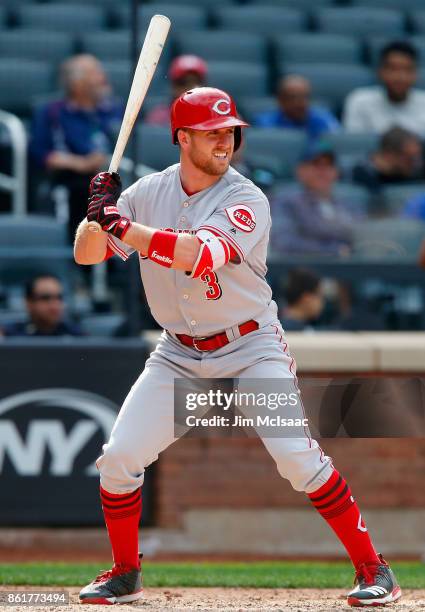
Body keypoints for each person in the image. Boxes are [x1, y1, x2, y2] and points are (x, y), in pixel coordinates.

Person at [74, 87, 401, 607]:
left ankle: (374, 568)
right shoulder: (146, 192)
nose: (225, 140)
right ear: (183, 138)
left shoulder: (246, 197)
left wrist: (123, 224)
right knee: (118, 458)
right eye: (212, 132)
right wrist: (96, 213)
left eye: (230, 131)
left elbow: (199, 256)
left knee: (297, 460)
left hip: (250, 347)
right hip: (178, 353)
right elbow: (87, 255)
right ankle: (124, 572)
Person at [30, 54, 123, 240]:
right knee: (83, 193)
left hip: (115, 178)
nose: (102, 78)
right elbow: (39, 152)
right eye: (94, 73)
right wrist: (81, 163)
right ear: (76, 84)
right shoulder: (52, 112)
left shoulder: (115, 109)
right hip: (71, 182)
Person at [270, 141, 354, 256]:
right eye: (316, 165)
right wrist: (332, 250)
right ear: (300, 170)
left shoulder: (346, 203)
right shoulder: (287, 201)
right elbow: (283, 242)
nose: (323, 171)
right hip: (302, 269)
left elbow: (359, 235)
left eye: (329, 165)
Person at [343, 41, 425, 136]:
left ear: (415, 74)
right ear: (380, 71)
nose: (399, 77)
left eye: (407, 70)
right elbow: (353, 145)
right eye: (393, 69)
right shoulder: (359, 100)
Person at [254, 75, 339, 140]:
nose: (300, 103)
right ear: (280, 100)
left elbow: (337, 143)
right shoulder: (265, 124)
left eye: (305, 97)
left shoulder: (323, 119)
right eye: (293, 97)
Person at [1, 275, 81, 337]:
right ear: (28, 302)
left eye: (59, 298)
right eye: (45, 298)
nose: (54, 305)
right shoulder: (9, 336)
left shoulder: (78, 337)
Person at [352, 127, 423, 193]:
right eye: (410, 158)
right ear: (389, 155)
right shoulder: (363, 172)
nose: (416, 162)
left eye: (417, 156)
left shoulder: (417, 170)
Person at [144, 54, 207, 126]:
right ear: (173, 86)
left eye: (196, 82)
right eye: (182, 83)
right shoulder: (158, 117)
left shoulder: (213, 117)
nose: (190, 88)